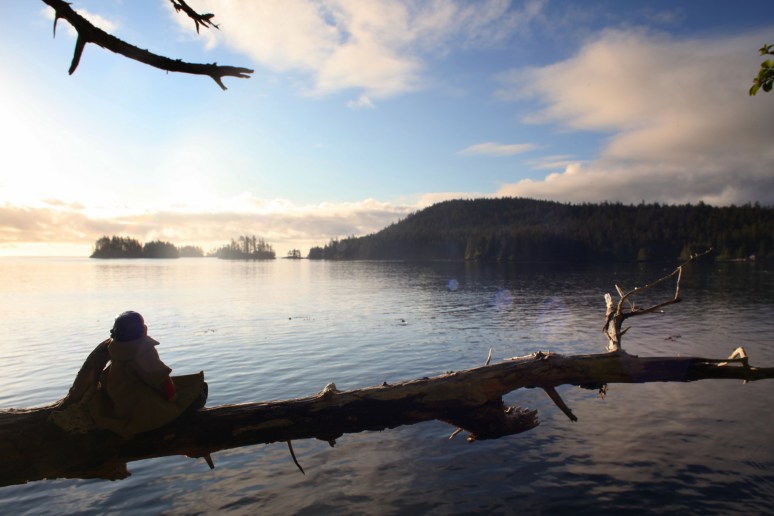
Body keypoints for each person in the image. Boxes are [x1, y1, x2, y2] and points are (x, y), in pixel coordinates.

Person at [88, 311, 207, 437]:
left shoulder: (115, 349)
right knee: (199, 390)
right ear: (141, 329)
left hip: (123, 408)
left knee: (188, 384)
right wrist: (173, 398)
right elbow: (160, 379)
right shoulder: (142, 350)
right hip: (144, 411)